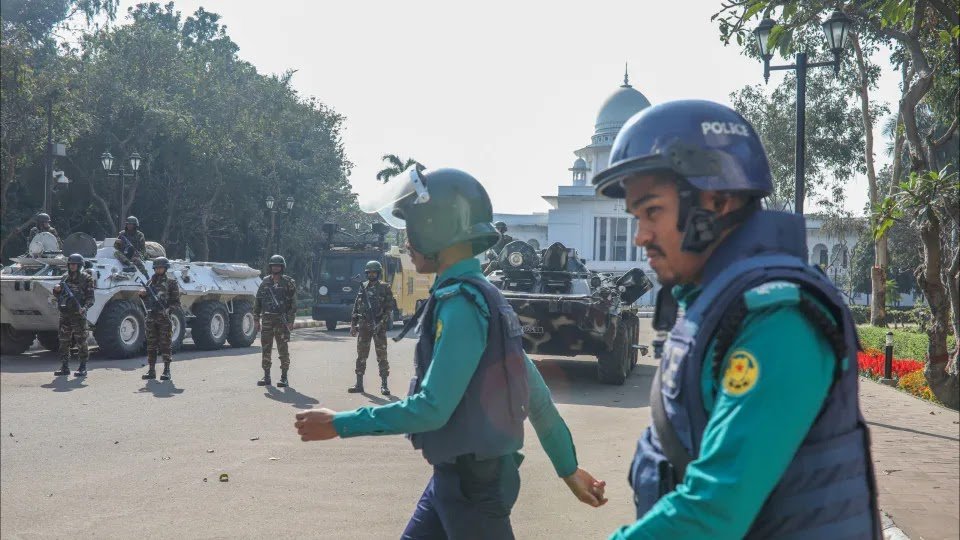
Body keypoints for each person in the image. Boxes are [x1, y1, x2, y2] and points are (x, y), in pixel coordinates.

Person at [591, 100, 880, 539]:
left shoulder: (780, 319)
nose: (640, 237)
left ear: (716, 201)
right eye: (636, 217)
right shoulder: (713, 300)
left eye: (652, 212)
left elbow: (716, 507)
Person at [294, 167, 608, 539]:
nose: (406, 240)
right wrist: (568, 469)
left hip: (471, 491)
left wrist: (340, 423)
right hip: (458, 479)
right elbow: (537, 400)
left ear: (434, 226)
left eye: (410, 227)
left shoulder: (461, 303)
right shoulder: (487, 295)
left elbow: (432, 408)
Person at [348, 260, 397, 395]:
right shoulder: (363, 286)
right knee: (361, 355)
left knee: (382, 356)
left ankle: (384, 385)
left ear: (378, 273)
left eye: (374, 272)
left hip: (379, 327)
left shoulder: (385, 287)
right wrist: (353, 324)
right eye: (369, 272)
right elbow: (357, 306)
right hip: (364, 326)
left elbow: (389, 308)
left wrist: (381, 323)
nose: (371, 274)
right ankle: (359, 384)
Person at [253, 254, 297, 387]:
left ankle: (284, 377)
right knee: (266, 349)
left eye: (278, 265)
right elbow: (258, 301)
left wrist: (290, 320)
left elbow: (293, 303)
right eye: (273, 265)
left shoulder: (289, 282)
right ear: (270, 267)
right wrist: (256, 319)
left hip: (281, 320)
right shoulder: (265, 282)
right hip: (267, 319)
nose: (276, 267)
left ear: (282, 267)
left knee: (282, 349)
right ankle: (266, 376)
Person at [52, 253, 95, 377]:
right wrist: (56, 290)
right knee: (63, 341)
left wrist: (85, 308)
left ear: (80, 265)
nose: (72, 266)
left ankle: (82, 366)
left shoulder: (86, 278)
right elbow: (58, 295)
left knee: (81, 341)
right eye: (70, 264)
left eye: (74, 264)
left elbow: (91, 298)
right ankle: (64, 366)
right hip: (65, 313)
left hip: (78, 314)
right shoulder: (65, 277)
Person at [139, 257, 181, 381]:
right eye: (157, 267)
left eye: (161, 267)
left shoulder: (171, 282)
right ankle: (151, 370)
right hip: (151, 317)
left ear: (165, 268)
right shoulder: (150, 283)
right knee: (151, 345)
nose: (158, 269)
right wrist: (142, 295)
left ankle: (166, 370)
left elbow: (176, 303)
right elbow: (146, 301)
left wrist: (168, 310)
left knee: (165, 345)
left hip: (164, 318)